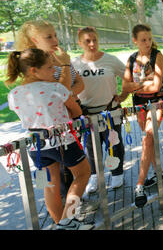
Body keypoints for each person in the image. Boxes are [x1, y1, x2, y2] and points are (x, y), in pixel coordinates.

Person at [6, 48, 93, 230]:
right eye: (49, 67)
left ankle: (60, 223)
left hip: (36, 146)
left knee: (49, 185)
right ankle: (67, 220)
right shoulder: (56, 87)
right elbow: (76, 111)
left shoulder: (14, 94)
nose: (54, 71)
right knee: (83, 174)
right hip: (62, 142)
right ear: (33, 70)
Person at [15, 20, 85, 198]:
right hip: (55, 132)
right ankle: (67, 215)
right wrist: (65, 71)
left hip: (63, 125)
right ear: (34, 40)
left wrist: (66, 95)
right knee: (63, 179)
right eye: (49, 37)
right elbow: (57, 90)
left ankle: (68, 214)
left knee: (61, 177)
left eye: (55, 35)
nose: (55, 40)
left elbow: (76, 85)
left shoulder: (58, 60)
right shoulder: (35, 65)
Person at [72, 27, 130, 192]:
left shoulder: (110, 60)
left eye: (94, 40)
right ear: (79, 43)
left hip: (110, 111)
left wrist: (124, 95)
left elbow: (127, 76)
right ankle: (95, 175)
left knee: (114, 142)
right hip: (87, 113)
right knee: (91, 146)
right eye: (87, 41)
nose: (92, 44)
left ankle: (117, 172)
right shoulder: (74, 63)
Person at [122, 24, 163, 208]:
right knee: (150, 139)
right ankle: (159, 173)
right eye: (143, 40)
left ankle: (139, 185)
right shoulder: (131, 59)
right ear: (135, 41)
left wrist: (136, 85)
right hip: (139, 104)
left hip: (157, 102)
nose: (147, 43)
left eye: (149, 38)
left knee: (148, 137)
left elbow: (156, 86)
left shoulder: (158, 55)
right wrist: (141, 84)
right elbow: (125, 87)